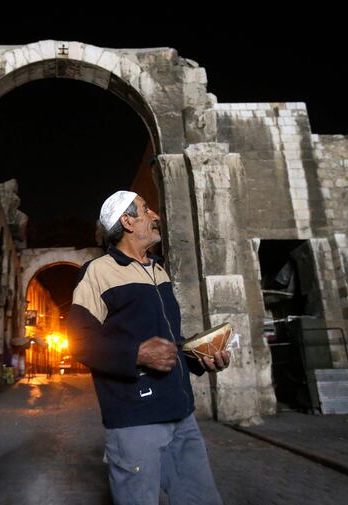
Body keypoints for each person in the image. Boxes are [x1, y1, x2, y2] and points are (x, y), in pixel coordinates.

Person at [69, 191, 230, 505]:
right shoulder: (98, 272)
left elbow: (168, 341)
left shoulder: (158, 270)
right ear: (127, 222)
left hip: (182, 415)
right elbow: (79, 340)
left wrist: (201, 357)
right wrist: (136, 354)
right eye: (145, 210)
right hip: (135, 420)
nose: (156, 215)